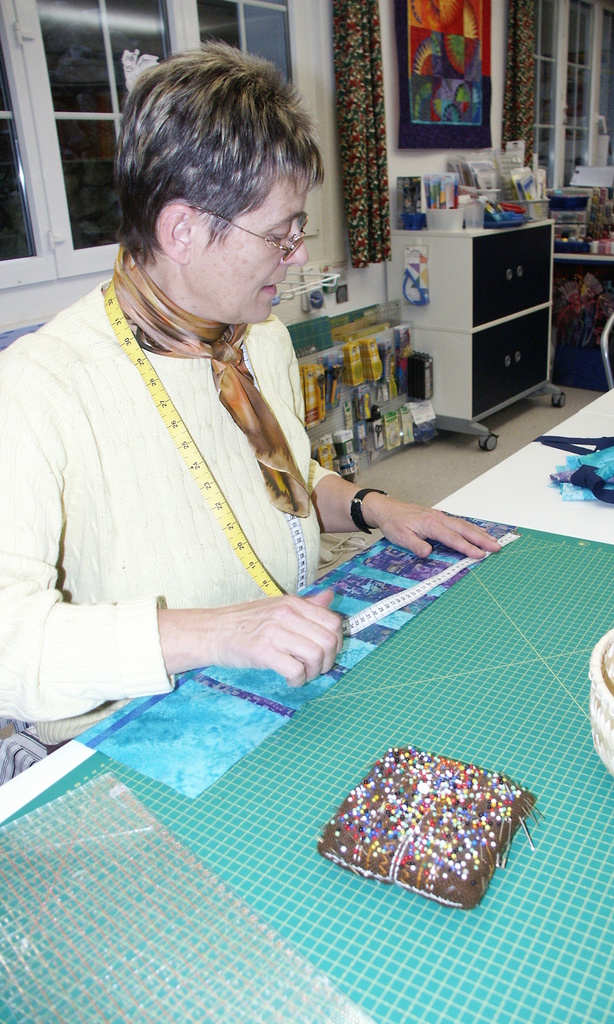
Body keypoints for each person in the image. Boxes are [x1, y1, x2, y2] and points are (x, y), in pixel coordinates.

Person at [0, 44, 500, 778]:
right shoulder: (38, 388)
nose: (297, 255)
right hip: (119, 737)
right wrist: (221, 632)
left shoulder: (256, 340)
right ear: (181, 230)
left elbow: (279, 482)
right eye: (279, 233)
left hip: (264, 683)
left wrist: (376, 508)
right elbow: (11, 649)